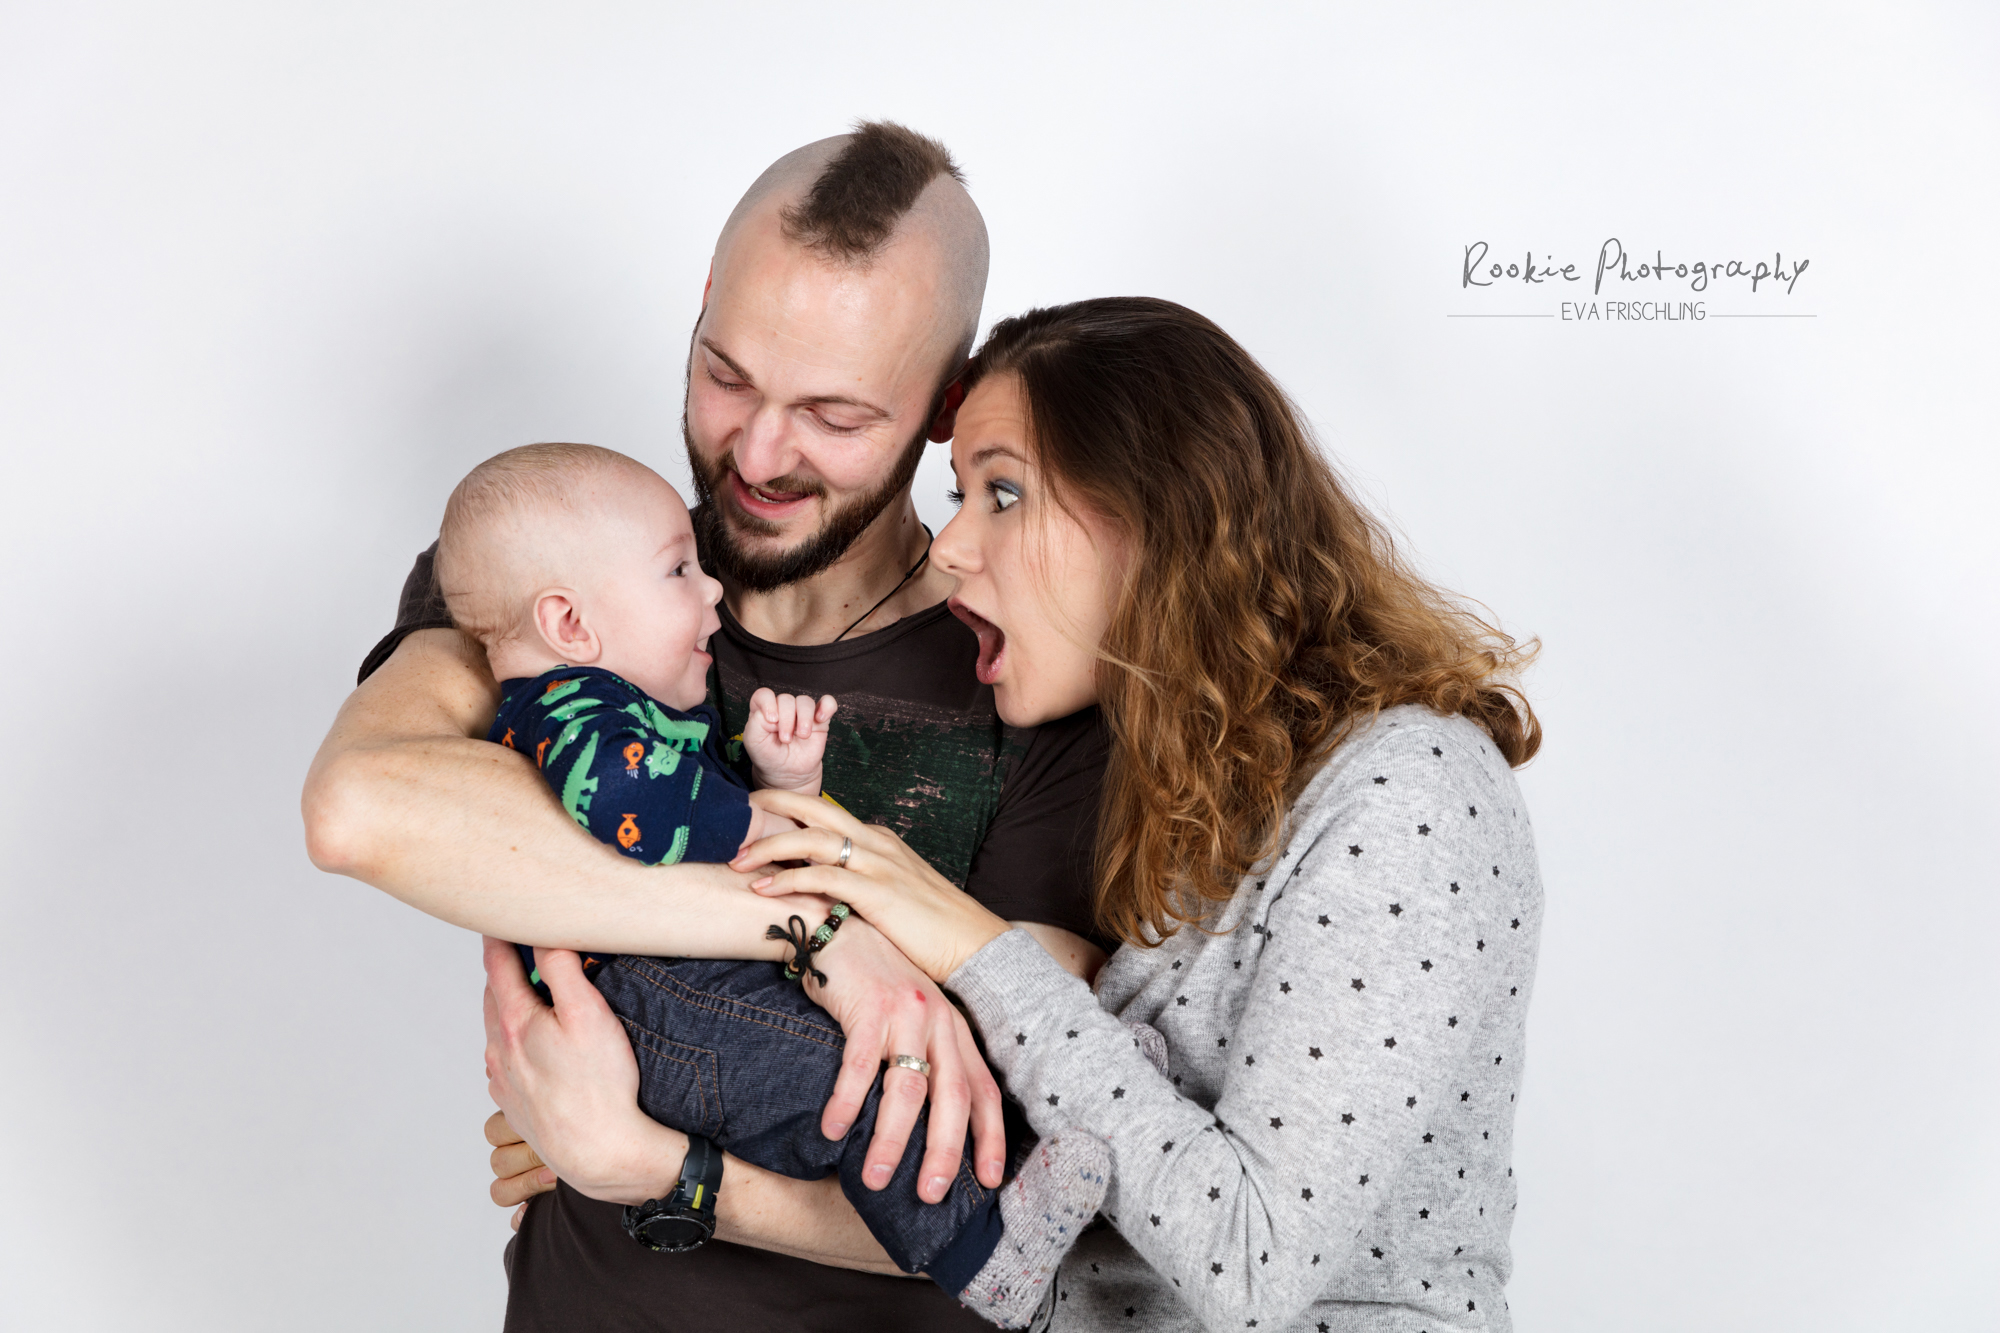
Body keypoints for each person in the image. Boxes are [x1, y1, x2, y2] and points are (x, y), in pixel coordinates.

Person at [491, 297, 1545, 1331]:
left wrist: (954, 934)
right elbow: (1039, 1196)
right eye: (961, 493)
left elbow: (1246, 1260)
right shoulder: (1177, 784)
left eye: (1002, 493)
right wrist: (651, 1125)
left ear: (1160, 517)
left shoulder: (1410, 789)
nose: (948, 546)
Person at [305, 123, 1112, 1331]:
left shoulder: (1029, 666)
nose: (758, 452)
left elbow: (1027, 1171)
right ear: (699, 308)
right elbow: (362, 808)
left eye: (833, 414)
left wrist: (649, 1165)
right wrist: (823, 935)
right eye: (727, 374)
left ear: (946, 403)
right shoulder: (556, 570)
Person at [436, 438, 1115, 1323]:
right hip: (646, 998)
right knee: (831, 1078)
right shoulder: (568, 707)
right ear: (569, 625)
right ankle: (982, 1248)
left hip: (686, 985)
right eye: (678, 571)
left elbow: (690, 821)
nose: (711, 589)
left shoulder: (625, 710)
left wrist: (781, 781)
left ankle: (1080, 1107)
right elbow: (635, 805)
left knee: (867, 1053)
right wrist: (760, 823)